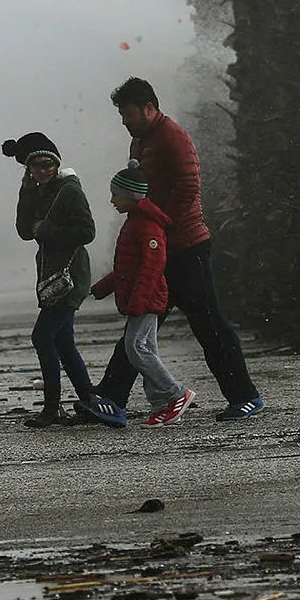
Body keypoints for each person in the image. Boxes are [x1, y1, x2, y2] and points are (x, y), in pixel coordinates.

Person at [85, 78, 265, 423]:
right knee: (139, 328)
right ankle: (110, 397)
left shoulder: (174, 137)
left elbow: (188, 189)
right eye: (122, 115)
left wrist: (158, 228)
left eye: (128, 114)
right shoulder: (140, 140)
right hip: (158, 247)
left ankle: (245, 397)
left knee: (209, 326)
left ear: (149, 108)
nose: (124, 121)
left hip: (185, 249)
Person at [4, 132, 118, 429]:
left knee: (42, 336)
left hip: (70, 276)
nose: (44, 170)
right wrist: (27, 193)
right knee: (64, 342)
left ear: (57, 163)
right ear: (28, 169)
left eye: (49, 164)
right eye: (37, 166)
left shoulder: (69, 190)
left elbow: (87, 231)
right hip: (50, 275)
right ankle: (90, 402)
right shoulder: (37, 191)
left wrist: (50, 229)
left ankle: (52, 407)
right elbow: (24, 231)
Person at [90, 162, 195, 428]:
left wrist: (138, 301)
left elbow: (152, 266)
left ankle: (175, 394)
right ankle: (162, 404)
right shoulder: (135, 222)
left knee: (136, 347)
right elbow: (128, 267)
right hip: (140, 298)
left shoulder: (147, 225)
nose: (112, 200)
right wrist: (102, 288)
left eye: (116, 195)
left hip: (147, 299)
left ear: (132, 195)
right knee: (145, 348)